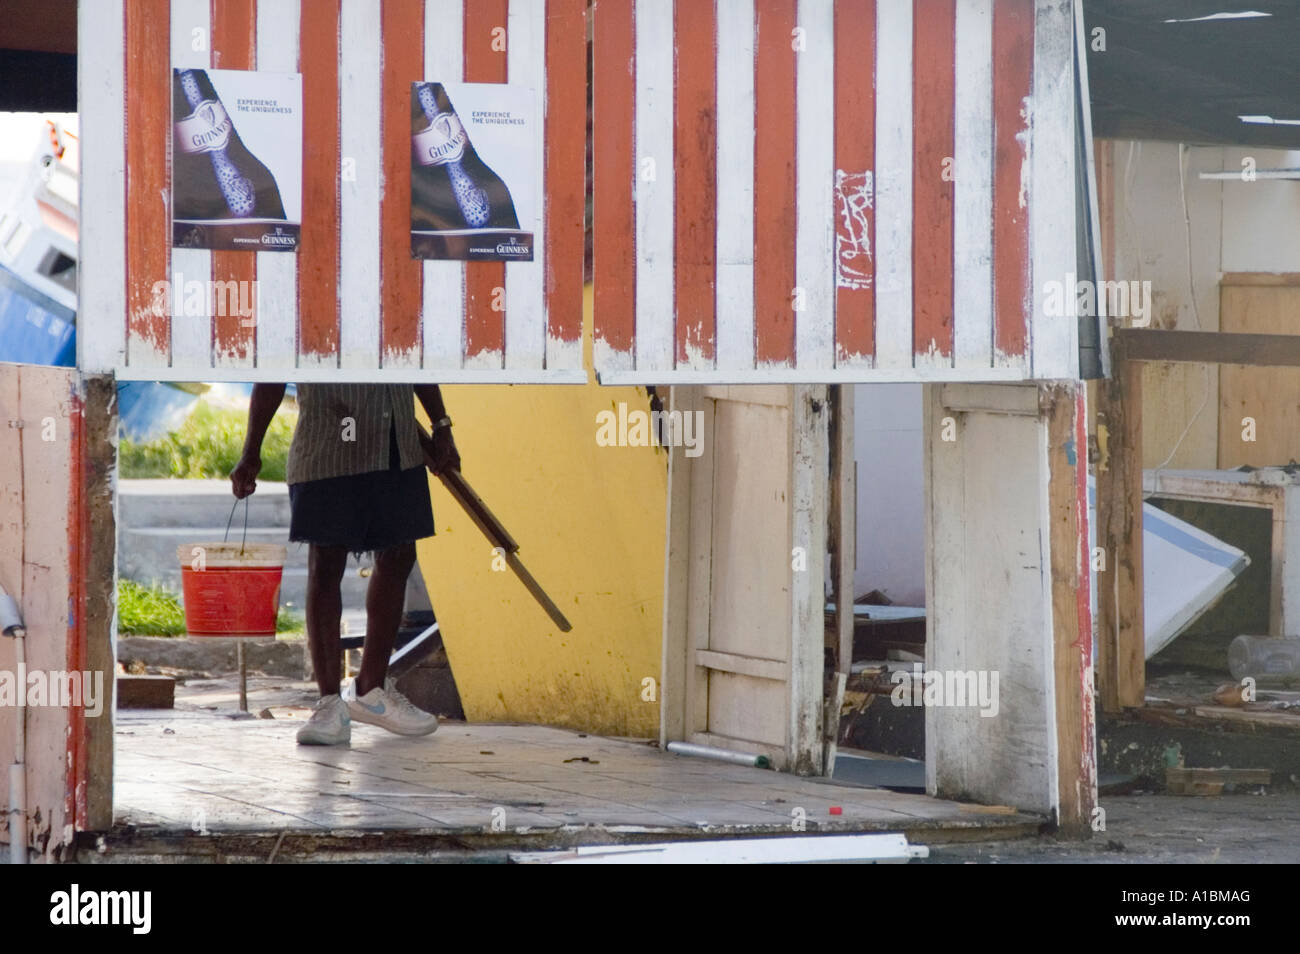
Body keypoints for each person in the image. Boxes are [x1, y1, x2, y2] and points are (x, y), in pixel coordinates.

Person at [231, 383, 460, 746]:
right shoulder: (306, 323)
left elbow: (417, 360)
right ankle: (328, 705)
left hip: (396, 446)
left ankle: (371, 690)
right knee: (325, 565)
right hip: (327, 448)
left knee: (400, 555)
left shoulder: (400, 322)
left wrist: (441, 425)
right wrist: (251, 452)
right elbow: (271, 377)